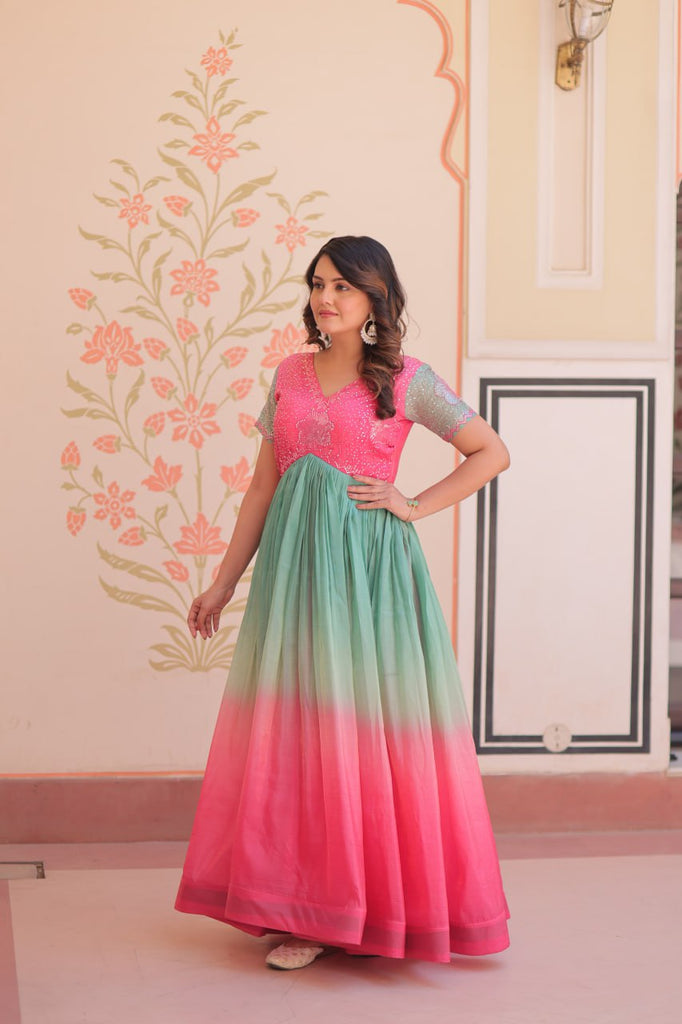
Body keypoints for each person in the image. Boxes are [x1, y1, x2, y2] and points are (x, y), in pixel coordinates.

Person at [175, 235, 511, 970]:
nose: (325, 298)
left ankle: (361, 908)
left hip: (367, 577)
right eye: (319, 284)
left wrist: (413, 505)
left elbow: (491, 451)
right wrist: (224, 582)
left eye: (343, 287)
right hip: (295, 574)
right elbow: (262, 486)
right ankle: (303, 904)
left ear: (374, 300)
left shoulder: (408, 379)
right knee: (299, 730)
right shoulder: (290, 375)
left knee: (363, 732)